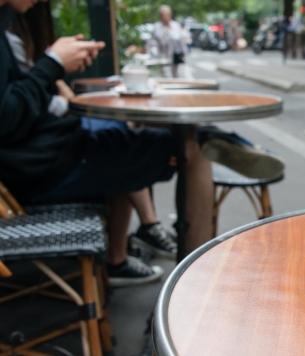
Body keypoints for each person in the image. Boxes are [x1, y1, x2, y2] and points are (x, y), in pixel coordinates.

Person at [0, 0, 213, 286]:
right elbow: (5, 118)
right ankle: (194, 285)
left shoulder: (7, 20)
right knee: (195, 146)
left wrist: (55, 68)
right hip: (35, 173)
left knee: (121, 134)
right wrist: (52, 64)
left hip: (42, 156)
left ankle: (120, 258)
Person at [146, 4, 185, 78]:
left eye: (167, 14)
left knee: (178, 75)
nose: (166, 17)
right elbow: (153, 42)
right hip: (162, 56)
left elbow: (180, 39)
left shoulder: (175, 25)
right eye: (164, 15)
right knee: (165, 75)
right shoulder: (157, 26)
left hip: (176, 56)